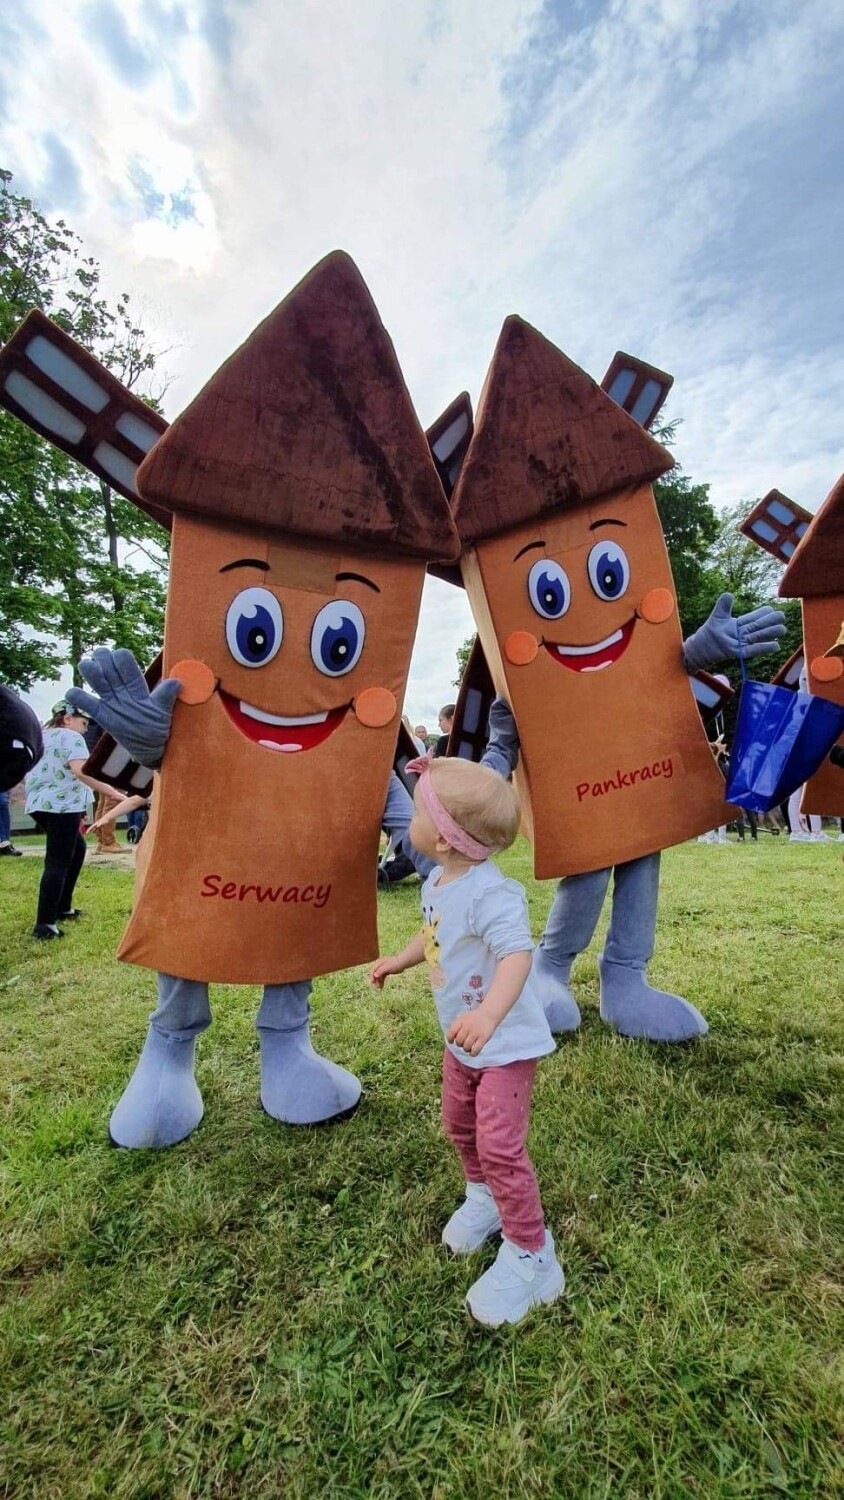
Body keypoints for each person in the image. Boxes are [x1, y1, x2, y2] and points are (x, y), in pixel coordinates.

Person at [371, 755, 564, 1328]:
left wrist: (488, 1014)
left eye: (422, 805)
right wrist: (401, 960)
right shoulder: (438, 878)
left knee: (501, 1144)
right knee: (459, 1124)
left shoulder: (492, 894)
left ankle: (533, 1254)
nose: (410, 812)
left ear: (448, 838)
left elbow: (516, 955)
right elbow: (432, 931)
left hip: (502, 1046)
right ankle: (482, 1198)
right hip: (462, 1042)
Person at [24, 700, 121, 939]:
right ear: (67, 718)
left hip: (40, 804)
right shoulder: (71, 738)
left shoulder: (42, 736)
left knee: (77, 849)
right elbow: (80, 771)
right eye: (84, 722)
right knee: (58, 861)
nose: (86, 729)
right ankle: (45, 924)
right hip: (61, 805)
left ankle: (63, 907)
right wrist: (113, 792)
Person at [83, 717, 123, 854]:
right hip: (108, 760)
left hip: (95, 761)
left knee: (103, 801)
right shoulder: (109, 717)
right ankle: (108, 841)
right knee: (111, 801)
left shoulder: (93, 718)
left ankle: (101, 840)